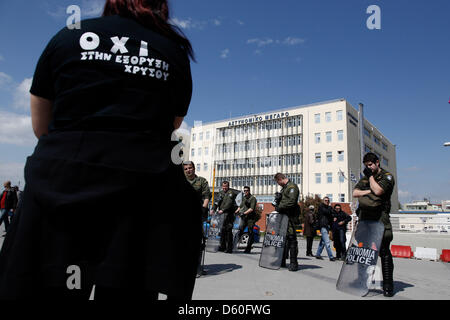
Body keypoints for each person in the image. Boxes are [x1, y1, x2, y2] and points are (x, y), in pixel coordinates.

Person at [0, 0, 202, 300]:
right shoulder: (172, 50)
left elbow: (41, 126)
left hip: (62, 190)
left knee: (52, 286)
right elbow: (171, 124)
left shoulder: (69, 36)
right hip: (139, 199)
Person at [353, 152, 395, 297]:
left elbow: (378, 190)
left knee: (384, 251)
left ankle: (388, 284)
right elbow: (355, 192)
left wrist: (370, 179)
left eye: (370, 165)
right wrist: (368, 191)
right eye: (366, 166)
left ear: (377, 162)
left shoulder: (387, 176)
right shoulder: (365, 177)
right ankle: (361, 280)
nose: (369, 168)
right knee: (362, 251)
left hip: (380, 219)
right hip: (365, 219)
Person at [183, 161, 210, 276]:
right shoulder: (180, 181)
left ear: (194, 168)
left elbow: (207, 196)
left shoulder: (201, 181)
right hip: (182, 215)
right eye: (186, 169)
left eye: (190, 168)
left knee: (198, 242)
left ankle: (197, 267)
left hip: (197, 214)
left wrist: (204, 208)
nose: (189, 170)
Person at [274, 173, 300, 271]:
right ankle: (282, 260)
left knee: (291, 239)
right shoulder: (285, 188)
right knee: (283, 239)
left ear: (280, 179)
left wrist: (280, 206)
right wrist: (278, 200)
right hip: (284, 216)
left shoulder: (292, 187)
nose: (278, 184)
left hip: (290, 217)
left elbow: (292, 201)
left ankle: (294, 263)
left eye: (278, 182)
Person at [211, 181, 237, 254]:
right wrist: (213, 209)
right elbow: (217, 202)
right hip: (222, 215)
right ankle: (222, 247)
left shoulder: (231, 193)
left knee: (228, 231)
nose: (224, 188)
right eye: (223, 186)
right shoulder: (221, 193)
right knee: (222, 230)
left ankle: (229, 248)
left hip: (229, 215)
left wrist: (222, 210)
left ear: (228, 186)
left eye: (226, 186)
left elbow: (229, 203)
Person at [235, 186, 257, 253]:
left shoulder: (252, 198)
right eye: (244, 191)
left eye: (247, 190)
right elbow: (240, 206)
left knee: (250, 232)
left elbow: (251, 209)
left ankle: (248, 248)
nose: (245, 192)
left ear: (249, 191)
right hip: (244, 217)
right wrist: (236, 211)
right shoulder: (244, 198)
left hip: (250, 218)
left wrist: (244, 213)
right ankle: (235, 245)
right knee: (240, 230)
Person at [315, 197, 336, 261]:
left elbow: (333, 213)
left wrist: (332, 214)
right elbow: (327, 212)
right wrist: (331, 213)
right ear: (323, 201)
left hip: (327, 226)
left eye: (328, 200)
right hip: (323, 226)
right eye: (325, 200)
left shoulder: (329, 208)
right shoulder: (321, 207)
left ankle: (318, 254)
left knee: (323, 241)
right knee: (327, 242)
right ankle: (331, 257)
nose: (327, 201)